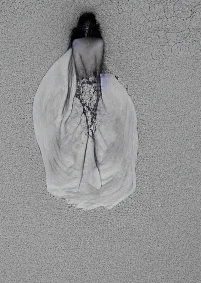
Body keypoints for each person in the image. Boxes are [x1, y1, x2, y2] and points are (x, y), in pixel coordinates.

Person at [33, 12, 138, 210]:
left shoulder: (90, 48)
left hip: (87, 84)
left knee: (82, 137)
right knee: (94, 133)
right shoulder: (94, 47)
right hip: (90, 84)